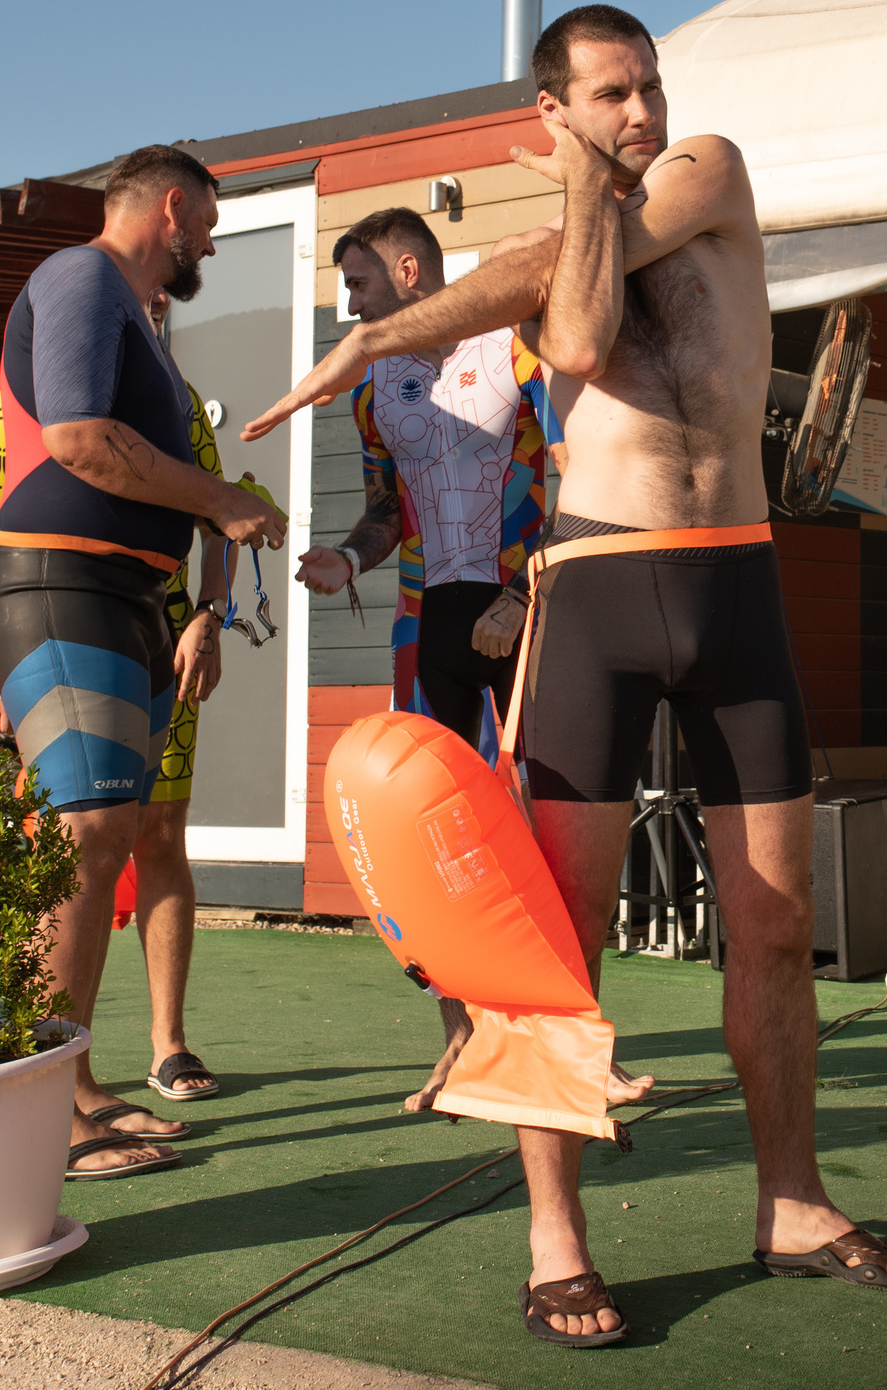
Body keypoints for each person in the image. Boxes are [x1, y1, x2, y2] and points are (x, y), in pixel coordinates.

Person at [246, 3, 887, 1346]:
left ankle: (792, 1201)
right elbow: (559, 315)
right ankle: (556, 1239)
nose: (644, 114)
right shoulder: (574, 235)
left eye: (649, 87)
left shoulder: (705, 173)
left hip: (735, 581)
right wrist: (384, 338)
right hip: (596, 591)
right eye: (611, 97)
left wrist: (402, 324)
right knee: (557, 945)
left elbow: (558, 312)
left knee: (779, 924)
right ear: (554, 111)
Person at [0, 143, 286, 1181]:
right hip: (59, 584)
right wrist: (219, 499)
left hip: (126, 601)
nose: (208, 241)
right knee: (87, 833)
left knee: (107, 840)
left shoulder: (144, 325)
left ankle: (76, 1084)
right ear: (170, 204)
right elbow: (74, 438)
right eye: (206, 222)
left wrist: (211, 541)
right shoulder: (79, 276)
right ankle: (37, 1107)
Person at [289, 205, 574, 1115]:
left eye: (360, 284)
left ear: (411, 272)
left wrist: (524, 594)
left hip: (520, 611)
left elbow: (581, 475)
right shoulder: (375, 388)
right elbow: (387, 511)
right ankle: (463, 1044)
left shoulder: (518, 348)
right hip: (427, 627)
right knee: (431, 831)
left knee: (547, 826)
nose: (350, 305)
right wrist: (347, 556)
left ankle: (572, 1050)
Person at [0, 287, 233, 1105]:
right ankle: (53, 1073)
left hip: (162, 638)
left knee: (158, 834)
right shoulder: (17, 400)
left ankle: (167, 1045)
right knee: (70, 839)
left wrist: (210, 619)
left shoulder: (180, 402)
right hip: (58, 627)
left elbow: (216, 516)